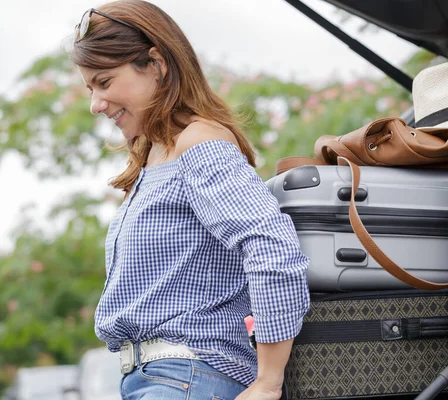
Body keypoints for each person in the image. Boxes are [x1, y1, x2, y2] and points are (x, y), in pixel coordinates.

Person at [69, 1, 310, 399]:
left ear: (157, 64)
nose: (95, 104)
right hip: (157, 379)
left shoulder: (199, 142)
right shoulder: (154, 158)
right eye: (90, 88)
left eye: (105, 81)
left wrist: (268, 381)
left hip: (188, 375)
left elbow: (272, 247)